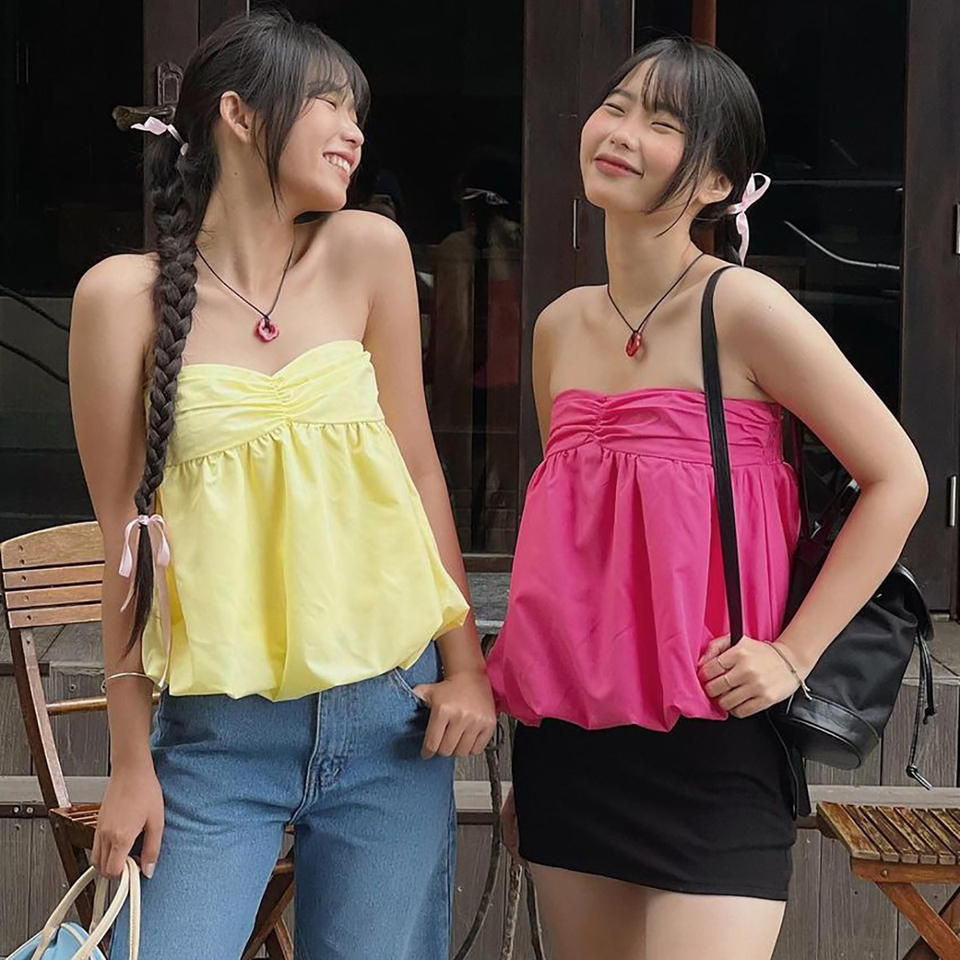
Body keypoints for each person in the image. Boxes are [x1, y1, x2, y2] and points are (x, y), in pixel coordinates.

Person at [486, 36, 928, 960]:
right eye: (616, 106)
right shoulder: (560, 326)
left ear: (719, 182)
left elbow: (899, 478)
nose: (621, 132)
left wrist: (792, 653)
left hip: (717, 732)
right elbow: (579, 546)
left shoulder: (744, 307)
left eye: (663, 123)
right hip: (570, 743)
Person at [68, 11, 495, 959]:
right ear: (240, 115)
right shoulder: (120, 299)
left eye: (358, 113)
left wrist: (465, 666)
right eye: (331, 105)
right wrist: (130, 762)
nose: (354, 132)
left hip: (394, 718)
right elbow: (124, 544)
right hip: (218, 734)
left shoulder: (370, 252)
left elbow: (420, 469)